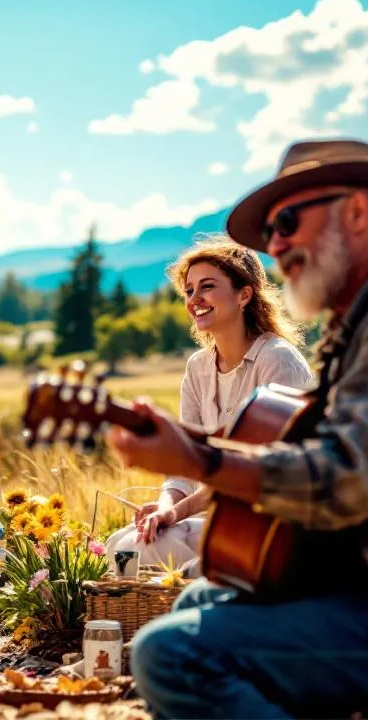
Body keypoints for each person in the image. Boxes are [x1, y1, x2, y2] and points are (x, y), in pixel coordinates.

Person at [107, 138, 368, 719]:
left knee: (169, 654)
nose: (274, 245)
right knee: (198, 597)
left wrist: (198, 461)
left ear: (356, 211)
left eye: (287, 221)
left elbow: (344, 480)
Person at [105, 237, 312, 569]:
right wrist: (164, 507)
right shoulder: (198, 368)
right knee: (122, 545)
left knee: (150, 553)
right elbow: (182, 466)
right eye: (189, 290)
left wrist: (178, 511)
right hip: (216, 515)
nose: (194, 299)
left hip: (269, 527)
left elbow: (255, 474)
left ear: (244, 295)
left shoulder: (277, 361)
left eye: (207, 286)